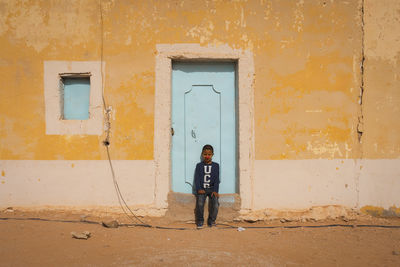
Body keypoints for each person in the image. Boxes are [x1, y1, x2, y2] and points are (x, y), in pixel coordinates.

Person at [194, 144, 220, 229]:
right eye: (205, 154)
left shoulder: (216, 166)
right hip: (202, 189)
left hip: (212, 189)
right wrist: (199, 189)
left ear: (212, 154)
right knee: (200, 203)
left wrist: (215, 190)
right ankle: (200, 221)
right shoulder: (199, 165)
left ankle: (211, 221)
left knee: (215, 204)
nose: (207, 156)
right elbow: (197, 178)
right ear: (202, 154)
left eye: (209, 154)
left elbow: (216, 179)